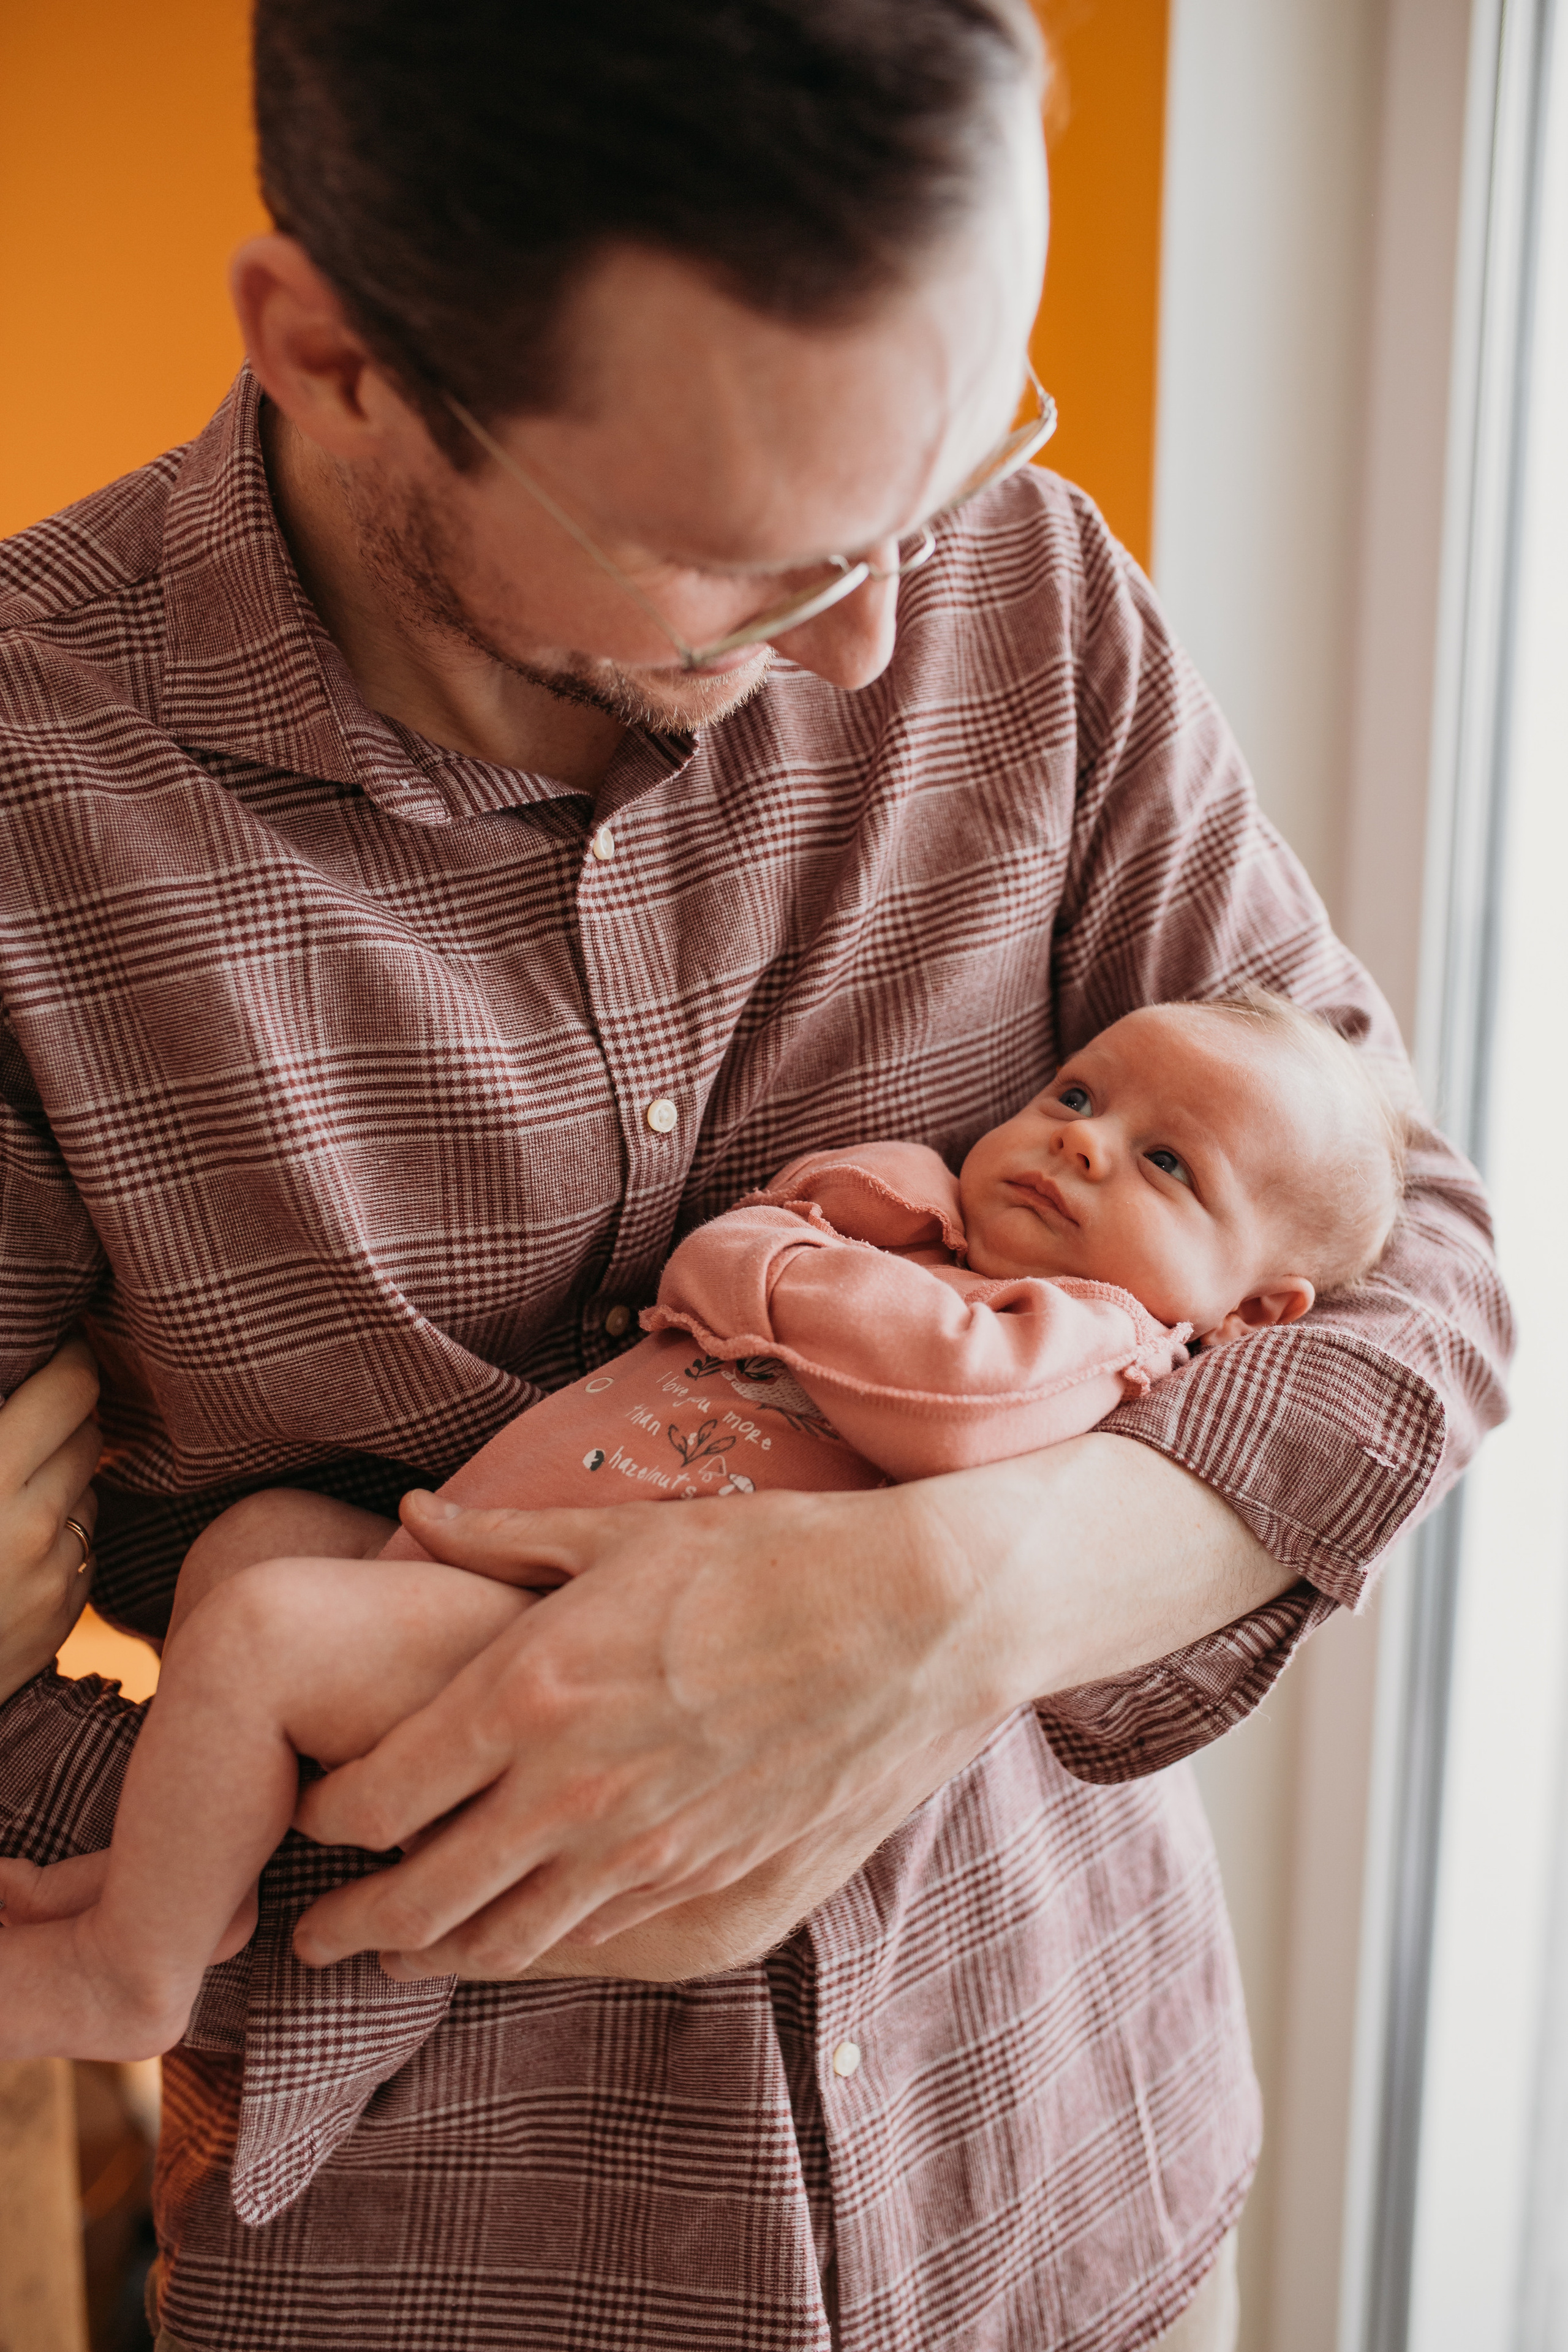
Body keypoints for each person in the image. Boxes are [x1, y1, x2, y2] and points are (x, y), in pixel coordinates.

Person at [0, 4, 1509, 2346]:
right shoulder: (28, 804)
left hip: (1081, 2182)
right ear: (336, 355)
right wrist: (498, 1786)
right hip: (459, 2265)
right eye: (743, 560)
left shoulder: (1033, 596)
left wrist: (953, 1600)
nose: (897, 633)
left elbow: (1419, 1266)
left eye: (955, 465)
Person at [0, 993, 1409, 2063]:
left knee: (259, 1631)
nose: (1079, 1144)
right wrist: (832, 1236)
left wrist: (805, 1242)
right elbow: (747, 1258)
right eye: (1075, 1091)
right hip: (488, 1564)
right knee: (251, 1543)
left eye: (1164, 1165)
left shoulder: (1085, 1343)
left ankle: (131, 1978)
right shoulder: (936, 1265)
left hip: (573, 1655)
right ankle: (192, 1881)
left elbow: (926, 1391)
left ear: (1249, 1310)